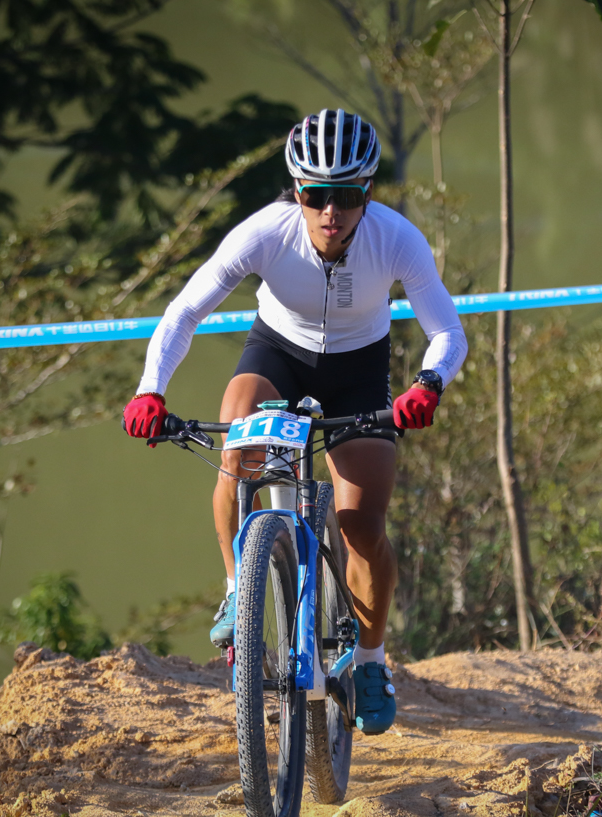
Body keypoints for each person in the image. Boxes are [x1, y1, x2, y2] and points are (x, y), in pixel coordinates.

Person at [122, 109, 467, 734]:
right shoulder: (265, 233)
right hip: (277, 354)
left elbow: (447, 330)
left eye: (344, 196)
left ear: (366, 194)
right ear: (296, 193)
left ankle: (370, 658)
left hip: (359, 372)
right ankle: (239, 589)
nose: (329, 212)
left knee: (361, 525)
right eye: (315, 196)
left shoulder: (398, 238)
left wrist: (428, 384)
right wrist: (151, 390)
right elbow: (183, 312)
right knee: (238, 450)